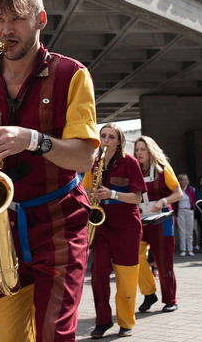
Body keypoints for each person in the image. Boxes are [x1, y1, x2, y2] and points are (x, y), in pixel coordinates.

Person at [0, 0, 99, 342]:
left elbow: (84, 158)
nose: (6, 30)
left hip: (59, 223)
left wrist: (33, 140)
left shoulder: (72, 74)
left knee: (53, 334)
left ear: (40, 20)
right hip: (1, 227)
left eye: (16, 18)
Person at [83, 123, 146, 338]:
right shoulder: (95, 162)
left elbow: (137, 198)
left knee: (126, 278)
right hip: (101, 226)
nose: (106, 140)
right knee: (98, 274)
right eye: (103, 136)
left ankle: (126, 322)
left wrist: (112, 194)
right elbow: (85, 190)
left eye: (111, 137)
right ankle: (102, 321)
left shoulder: (131, 163)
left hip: (126, 227)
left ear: (119, 141)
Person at [134, 136, 183, 313]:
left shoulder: (163, 169)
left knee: (164, 261)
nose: (139, 153)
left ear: (150, 150)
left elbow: (179, 193)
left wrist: (162, 200)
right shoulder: (133, 169)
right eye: (137, 150)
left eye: (142, 149)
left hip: (163, 219)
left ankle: (170, 299)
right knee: (134, 256)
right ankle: (149, 293)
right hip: (140, 218)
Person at [174, 174, 196, 257]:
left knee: (189, 231)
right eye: (181, 180)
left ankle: (190, 249)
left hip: (189, 211)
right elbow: (174, 202)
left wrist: (193, 208)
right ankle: (183, 249)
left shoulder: (190, 189)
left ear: (186, 181)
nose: (182, 181)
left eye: (184, 180)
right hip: (180, 212)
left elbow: (194, 200)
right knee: (182, 231)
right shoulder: (177, 189)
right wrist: (174, 213)